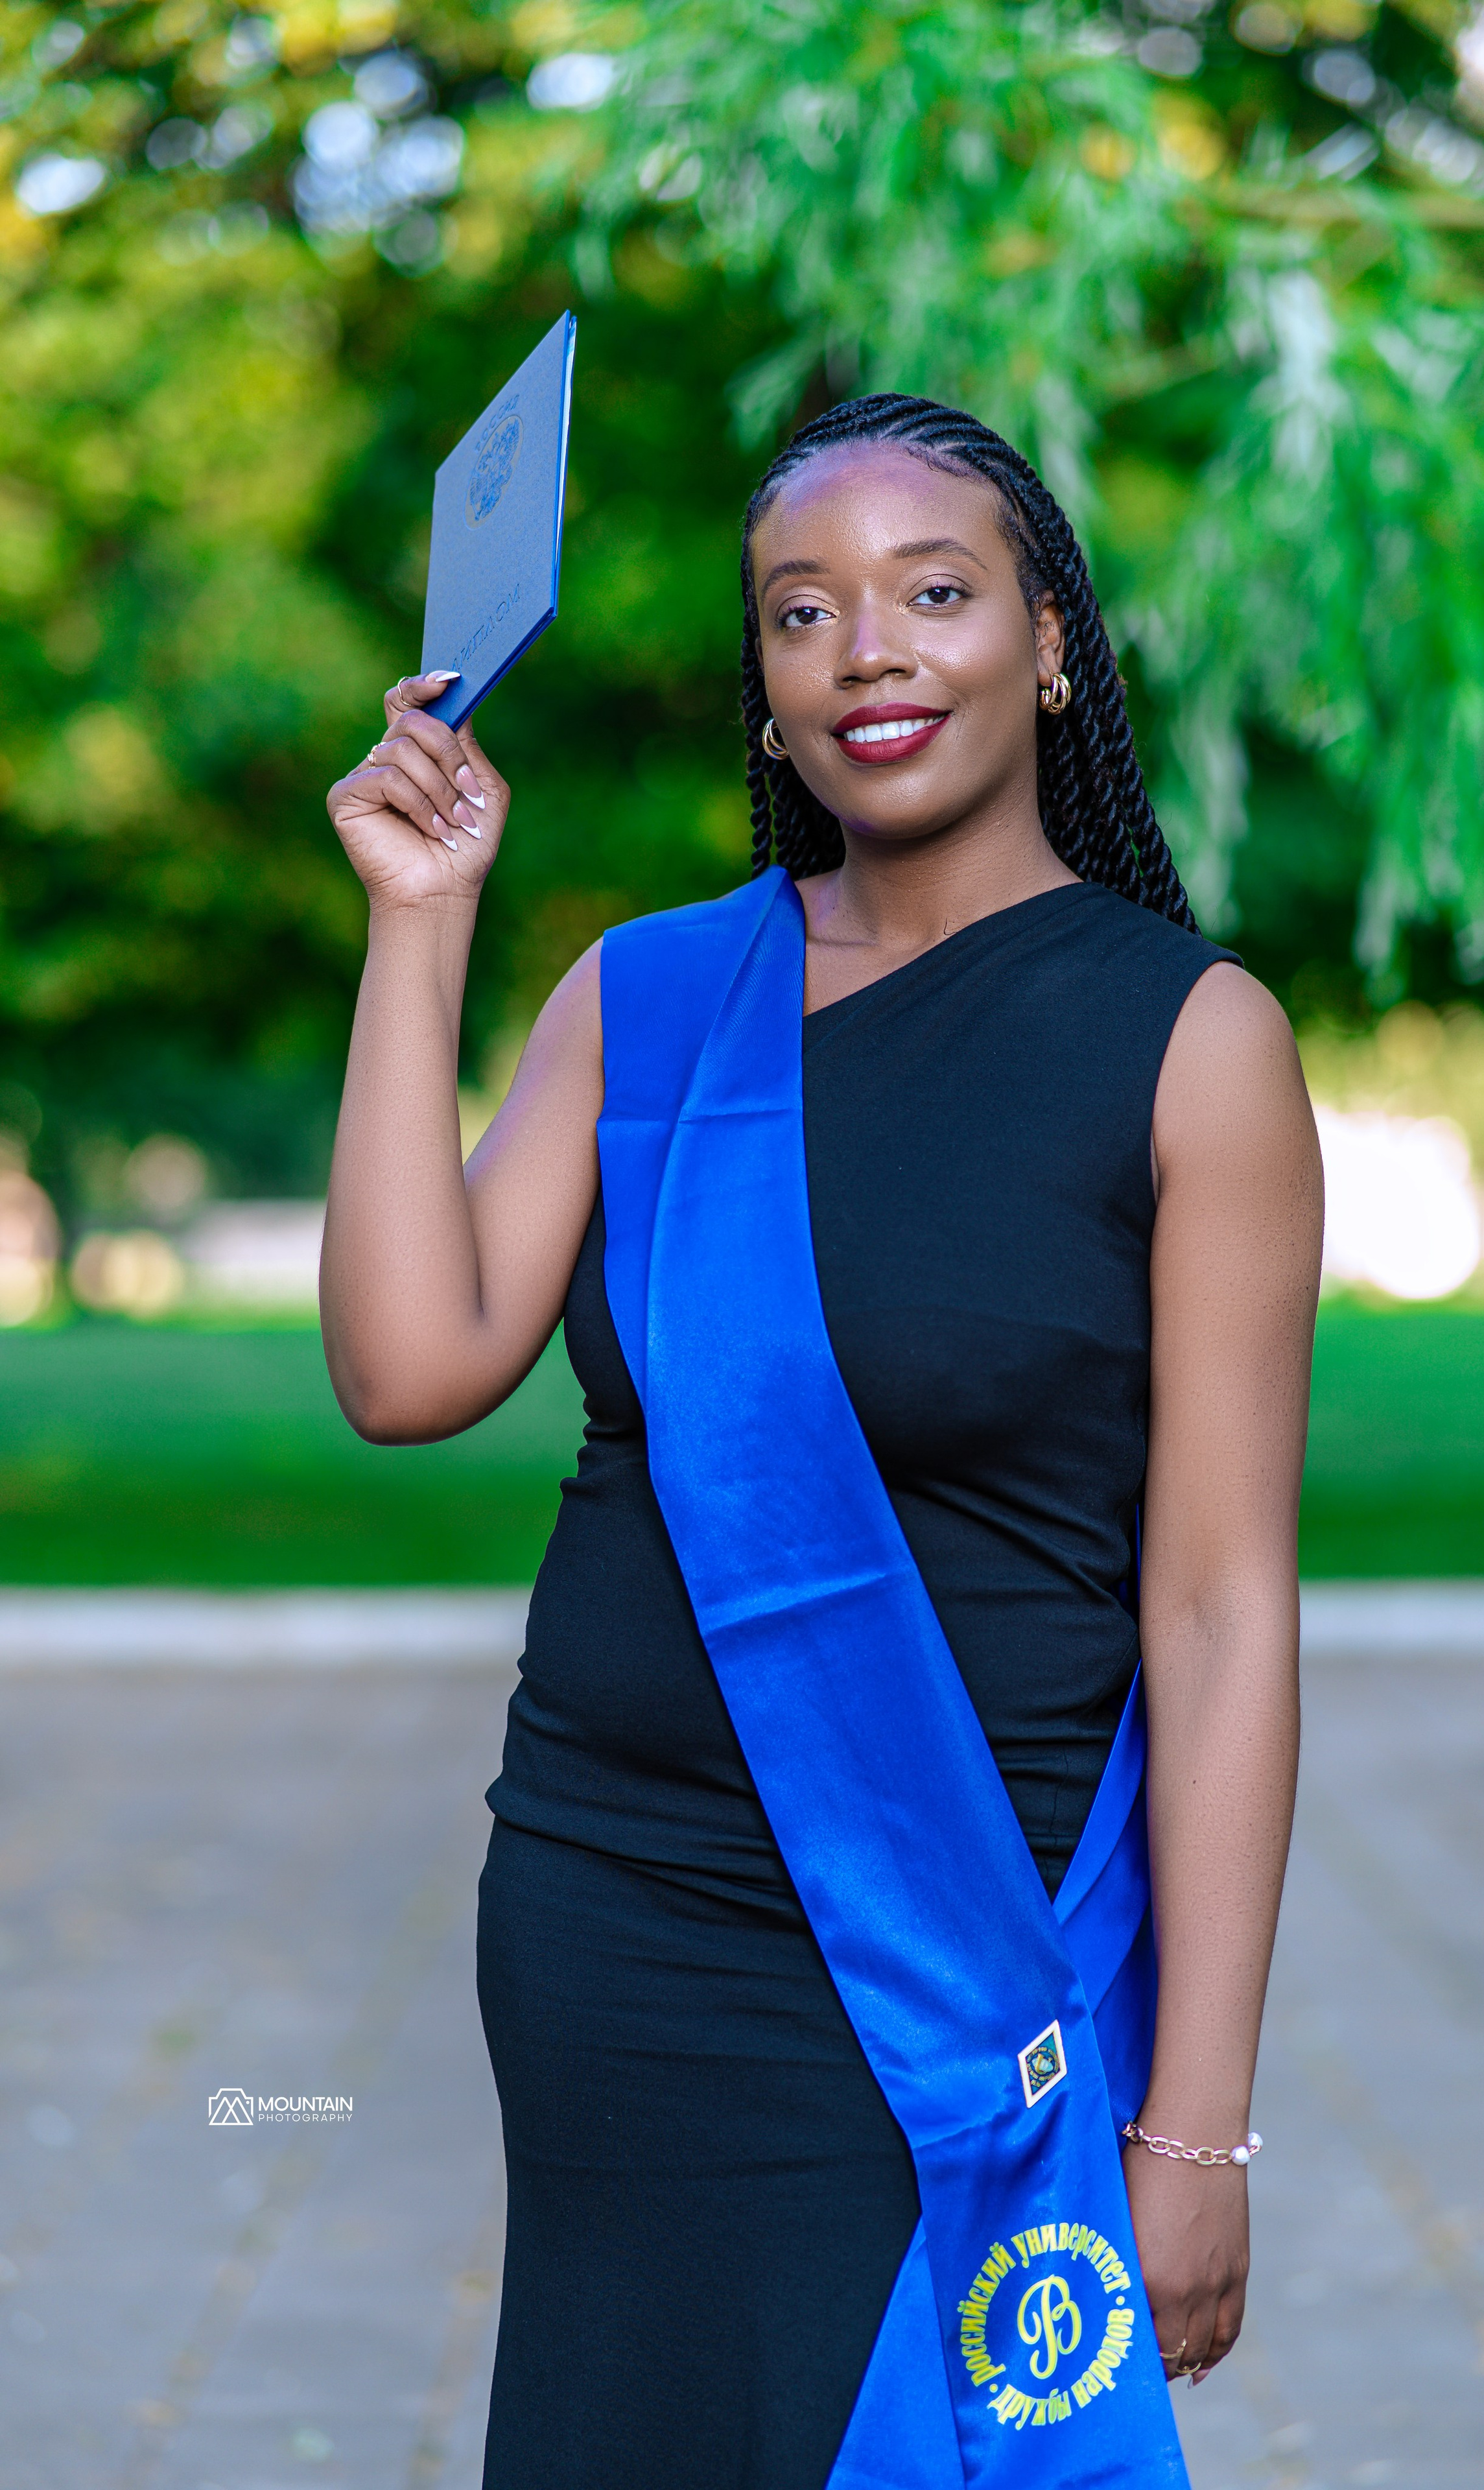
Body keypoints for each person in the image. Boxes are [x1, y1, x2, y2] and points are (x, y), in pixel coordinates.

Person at [320, 392, 1321, 2489]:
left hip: (947, 1957)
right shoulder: (651, 996)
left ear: (1049, 641)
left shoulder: (1190, 1043)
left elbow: (1222, 1605)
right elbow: (411, 1367)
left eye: (934, 592)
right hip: (610, 1917)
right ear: (765, 695)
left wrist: (1198, 2121)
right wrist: (420, 920)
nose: (868, 647)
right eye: (803, 612)